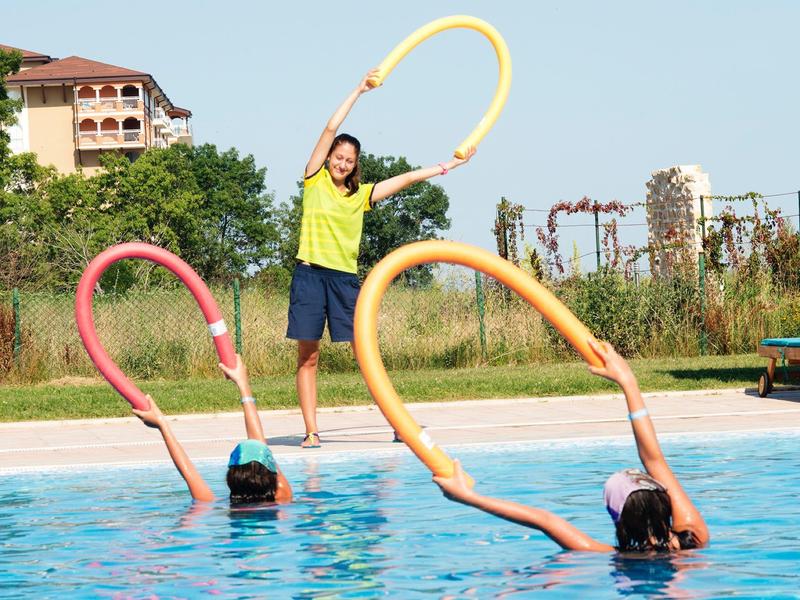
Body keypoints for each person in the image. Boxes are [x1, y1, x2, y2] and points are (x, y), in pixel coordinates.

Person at [288, 68, 476, 448]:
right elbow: (329, 128)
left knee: (365, 355)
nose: (341, 163)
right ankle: (311, 431)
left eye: (348, 160)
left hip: (343, 281)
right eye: (337, 157)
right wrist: (359, 90)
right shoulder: (314, 179)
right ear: (328, 159)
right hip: (308, 277)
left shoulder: (362, 196)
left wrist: (448, 166)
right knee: (308, 358)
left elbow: (405, 179)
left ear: (355, 165)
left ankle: (396, 422)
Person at [433, 339, 709, 553]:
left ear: (619, 522)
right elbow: (654, 459)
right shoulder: (696, 538)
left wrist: (468, 497)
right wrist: (628, 381)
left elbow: (544, 521)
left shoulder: (606, 555)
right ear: (665, 500)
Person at [133, 355, 292, 505]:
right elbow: (260, 443)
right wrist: (243, 384)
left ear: (230, 479)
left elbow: (188, 471)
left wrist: (162, 424)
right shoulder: (283, 496)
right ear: (273, 477)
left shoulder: (213, 504)